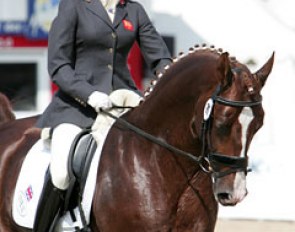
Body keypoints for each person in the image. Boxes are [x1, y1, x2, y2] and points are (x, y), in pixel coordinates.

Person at [33, 0, 172, 231]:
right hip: (76, 107)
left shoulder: (133, 10)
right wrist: (88, 94)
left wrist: (171, 79)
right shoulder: (74, 5)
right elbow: (58, 65)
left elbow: (160, 59)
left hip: (122, 105)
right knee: (60, 172)